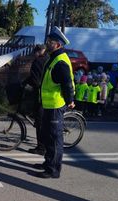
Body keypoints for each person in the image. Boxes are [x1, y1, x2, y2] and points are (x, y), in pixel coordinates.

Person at [32, 26, 75, 179]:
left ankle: (53, 170)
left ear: (58, 44)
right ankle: (47, 163)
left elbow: (67, 83)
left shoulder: (60, 61)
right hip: (48, 104)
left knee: (55, 138)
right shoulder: (54, 57)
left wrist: (70, 100)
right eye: (48, 40)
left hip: (56, 105)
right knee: (48, 136)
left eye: (50, 41)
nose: (47, 43)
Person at [23, 44, 49, 155]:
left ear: (38, 52)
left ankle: (41, 148)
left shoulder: (38, 62)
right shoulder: (48, 59)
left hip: (41, 94)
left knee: (40, 122)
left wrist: (25, 84)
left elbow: (35, 79)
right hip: (48, 94)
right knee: (41, 120)